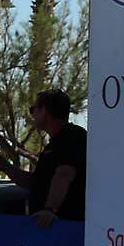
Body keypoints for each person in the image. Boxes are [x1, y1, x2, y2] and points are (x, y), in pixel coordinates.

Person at [19, 90, 86, 226]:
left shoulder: (73, 137)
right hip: (47, 226)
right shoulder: (54, 144)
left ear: (44, 111)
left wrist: (50, 210)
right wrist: (4, 167)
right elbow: (35, 183)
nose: (32, 115)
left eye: (33, 109)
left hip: (63, 226)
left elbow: (64, 174)